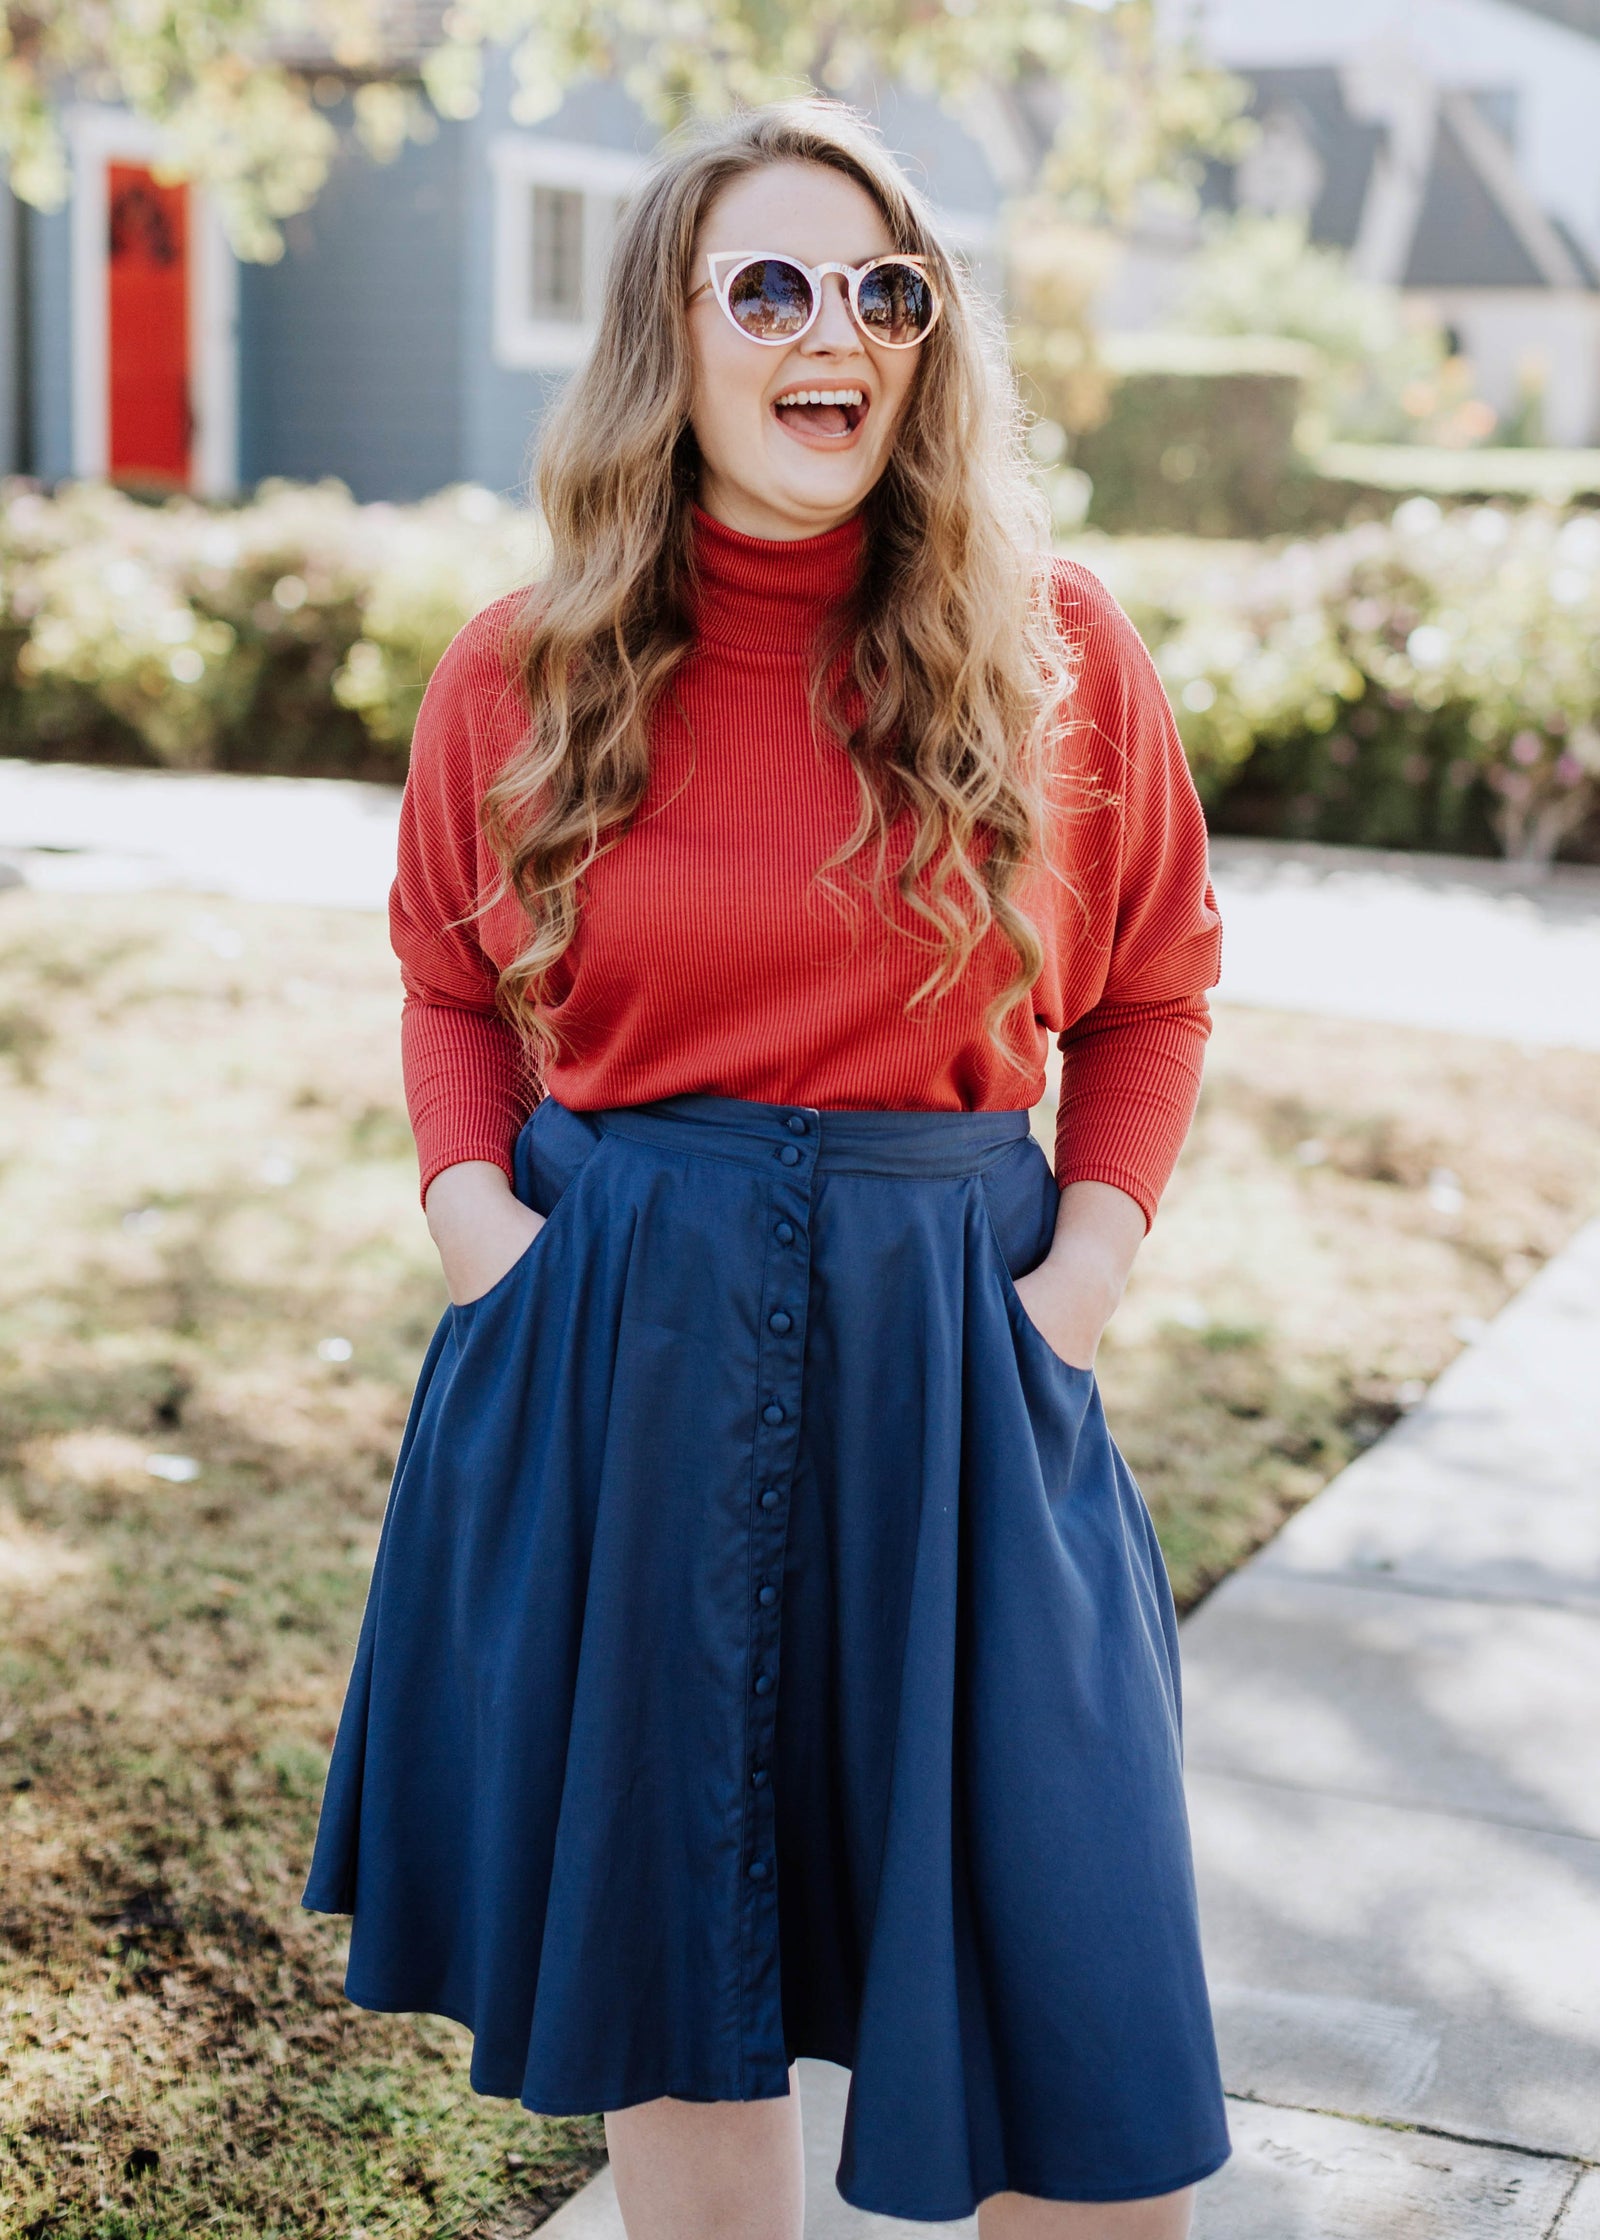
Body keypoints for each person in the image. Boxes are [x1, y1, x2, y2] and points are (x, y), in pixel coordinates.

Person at [303, 98, 1232, 2240]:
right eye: (774, 285)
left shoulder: (1055, 650)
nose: (840, 327)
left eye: (885, 287)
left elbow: (1158, 989)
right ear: (670, 334)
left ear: (928, 342)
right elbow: (447, 984)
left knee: (1066, 1998)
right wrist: (481, 1234)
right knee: (670, 1966)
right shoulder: (521, 668)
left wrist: (1073, 1282)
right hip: (616, 1341)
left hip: (958, 1363)